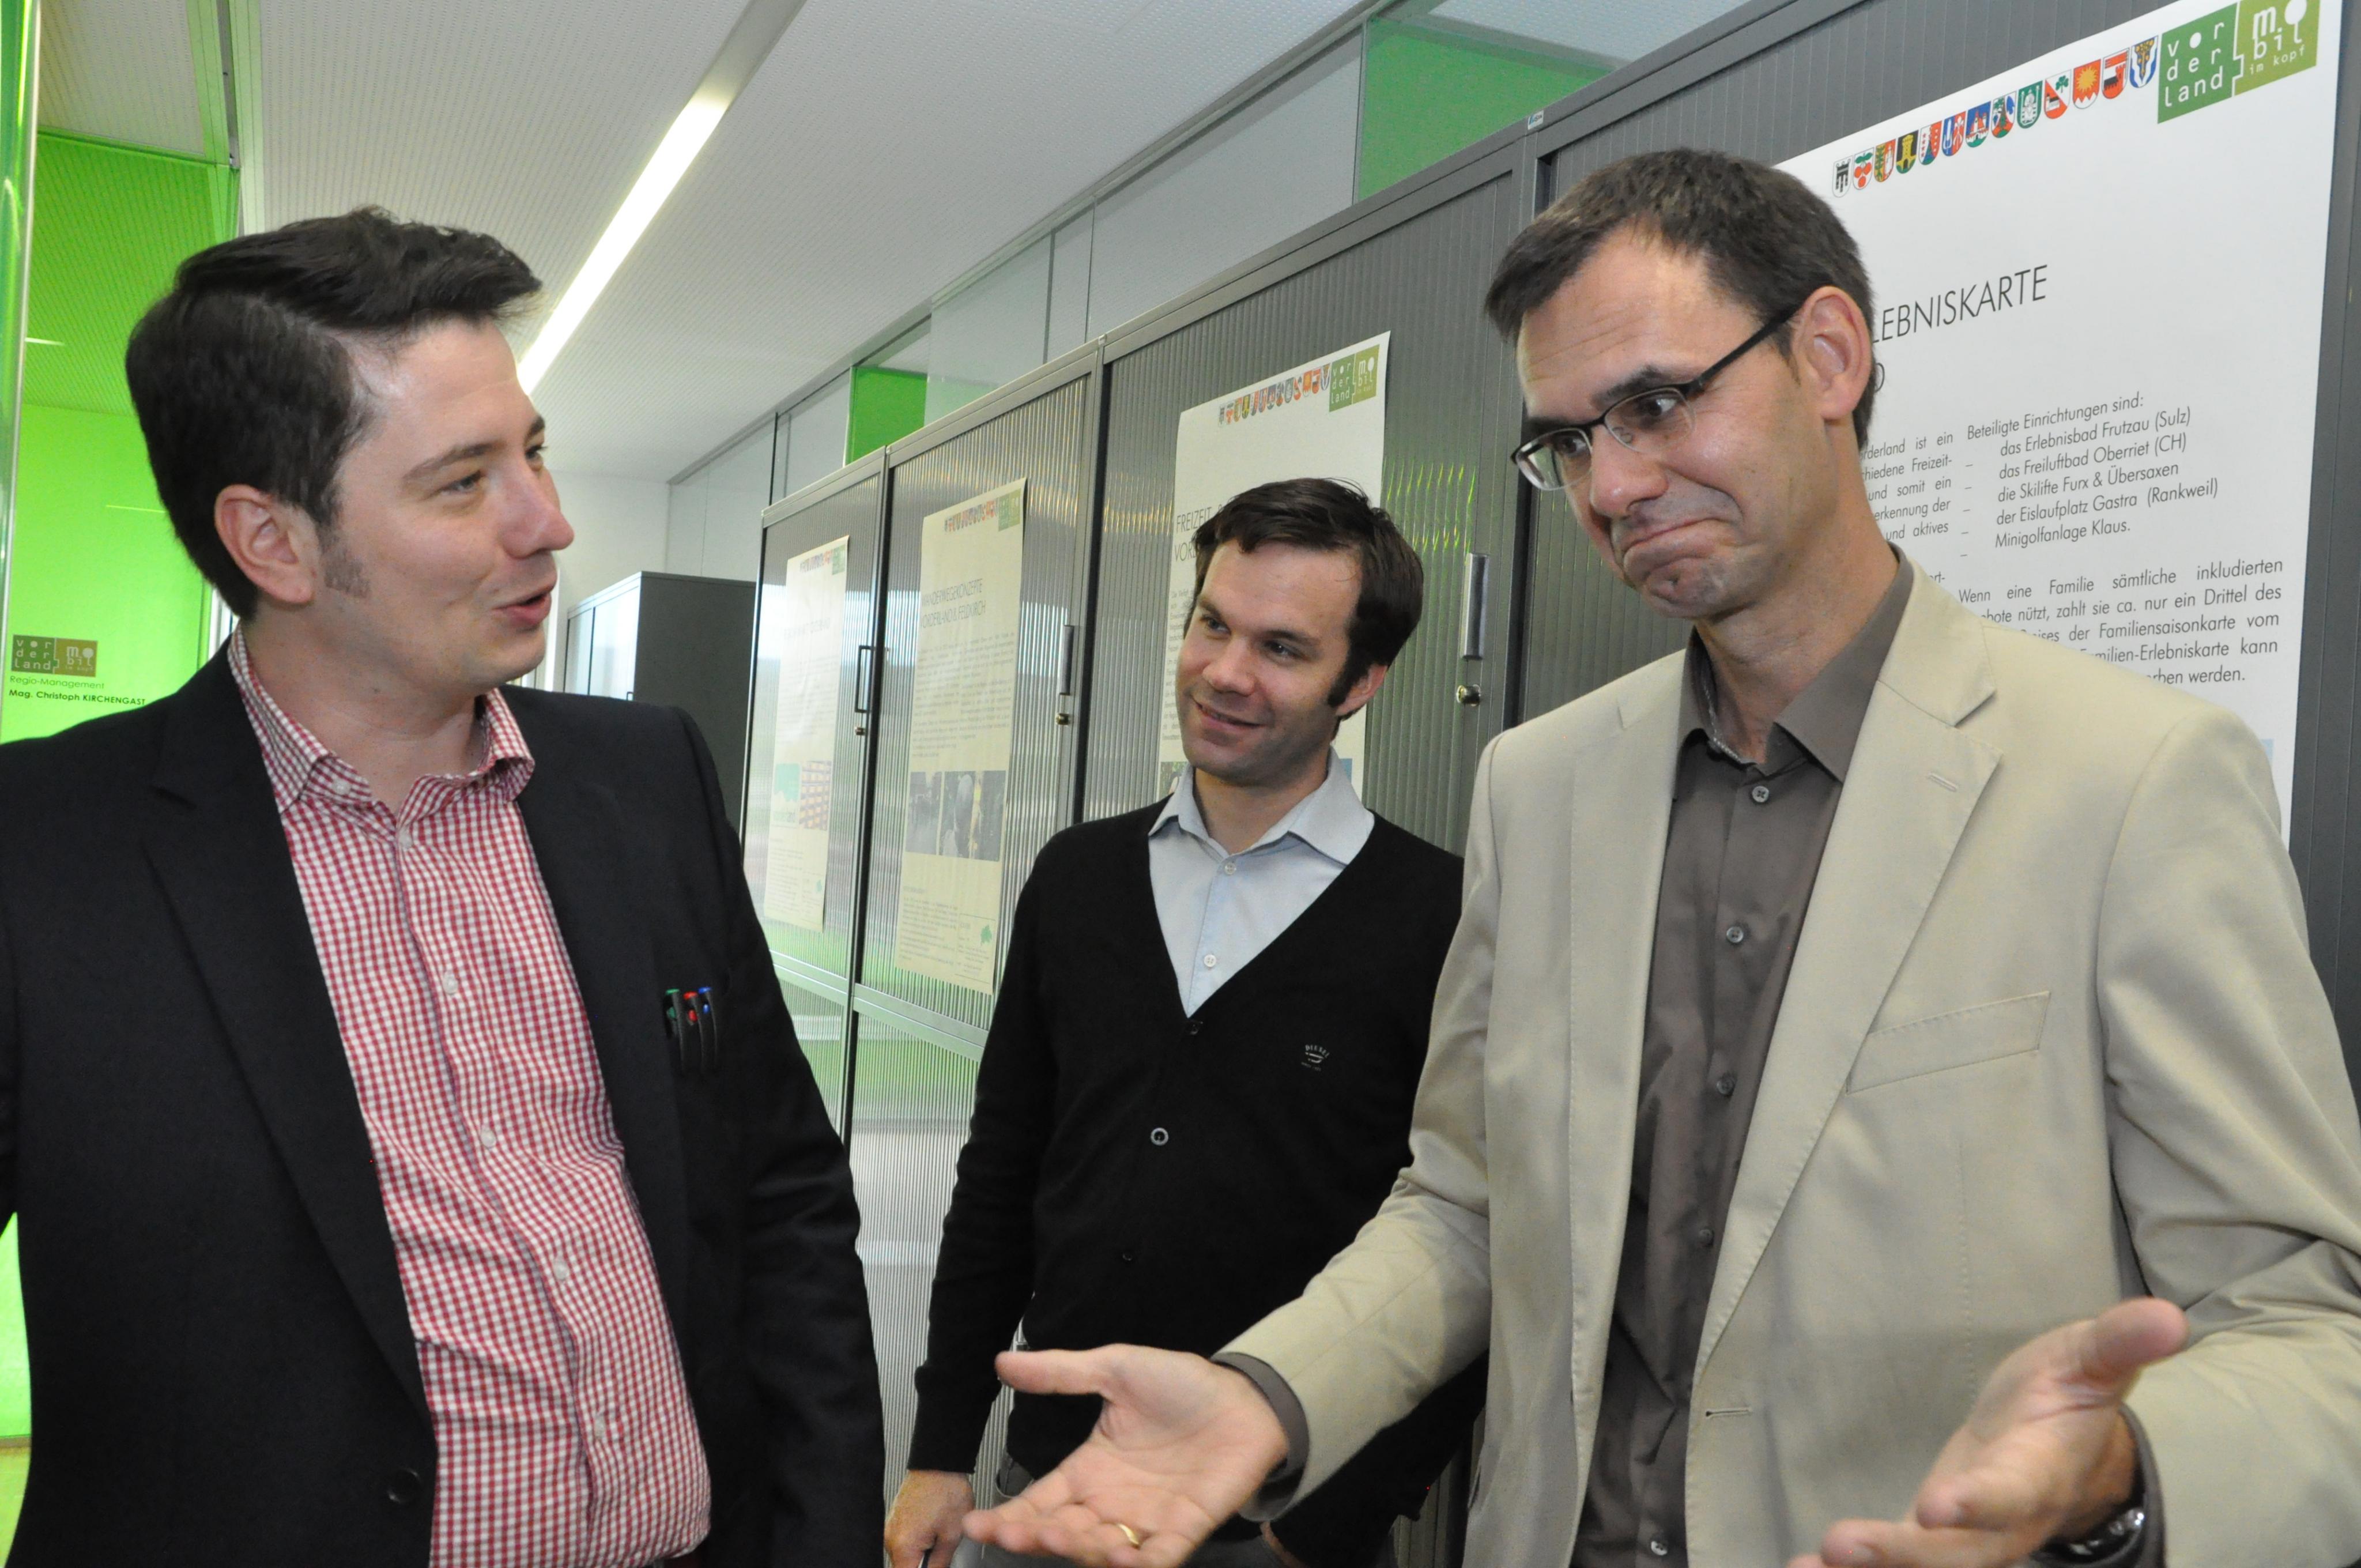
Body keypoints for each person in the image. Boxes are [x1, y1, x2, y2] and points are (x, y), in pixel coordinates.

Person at [962, 151, 2361, 1568]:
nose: (1612, 485)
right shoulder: (1540, 788)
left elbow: (2304, 1325)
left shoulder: (2129, 783)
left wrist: (2120, 1479)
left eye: (1653, 405)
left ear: (1827, 356)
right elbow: (1464, 1206)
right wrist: (1269, 1394)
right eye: (1568, 441)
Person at [0, 209, 883, 1566]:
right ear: (274, 542)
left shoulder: (646, 780)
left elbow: (781, 1194)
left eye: (532, 451)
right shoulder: (47, 848)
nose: (548, 521)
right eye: (464, 482)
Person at [883, 480, 1484, 1568]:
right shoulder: (1079, 878)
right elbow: (1002, 1177)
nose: (1225, 673)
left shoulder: (1440, 917)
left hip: (1280, 1523)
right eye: (1213, 624)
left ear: (1362, 681)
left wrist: (1325, 1530)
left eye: (1282, 649)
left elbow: (1470, 1243)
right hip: (1046, 1492)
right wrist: (941, 1448)